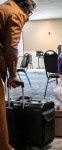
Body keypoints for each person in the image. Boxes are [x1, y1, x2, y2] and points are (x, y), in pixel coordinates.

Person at [0, 0, 36, 149]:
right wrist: (13, 73)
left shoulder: (3, 8)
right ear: (25, 5)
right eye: (30, 12)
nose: (28, 16)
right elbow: (12, 46)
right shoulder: (17, 13)